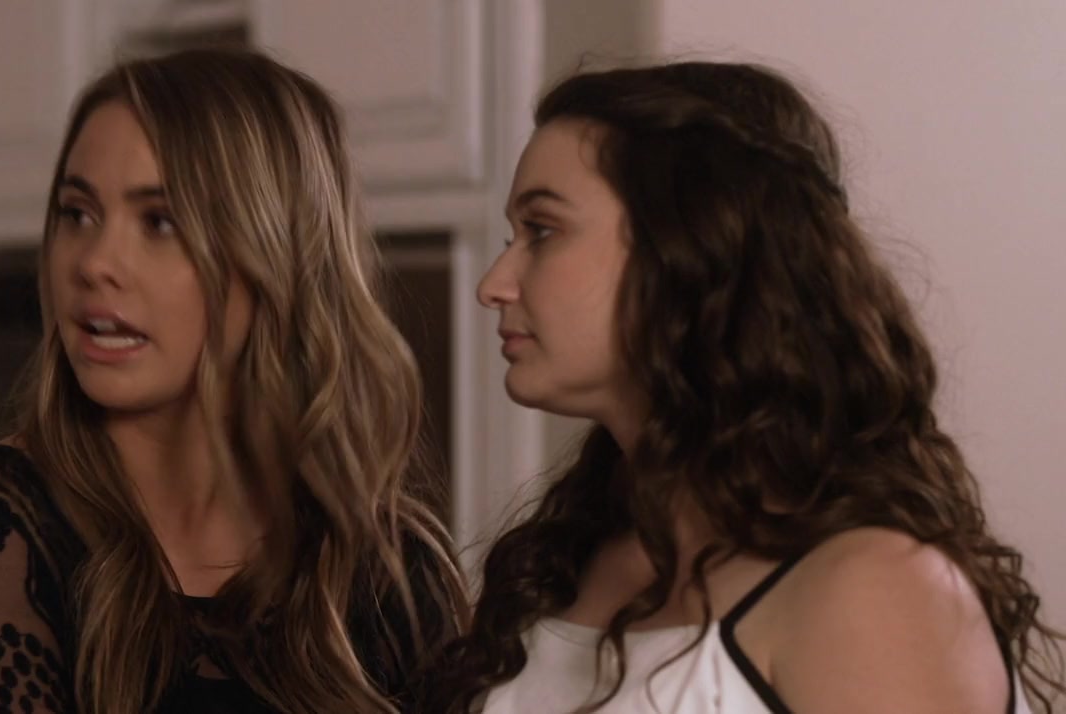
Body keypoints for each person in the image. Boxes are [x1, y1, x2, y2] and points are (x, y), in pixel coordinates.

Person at [424, 62, 1064, 713]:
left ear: (693, 246)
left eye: (542, 230)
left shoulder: (870, 587)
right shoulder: (564, 567)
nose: (493, 284)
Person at [0, 47, 467, 714]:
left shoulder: (393, 570)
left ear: (274, 254)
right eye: (77, 213)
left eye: (160, 221)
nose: (95, 262)